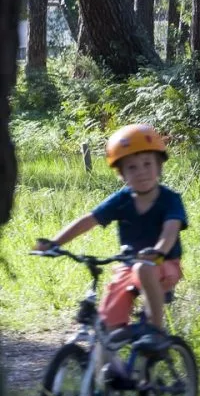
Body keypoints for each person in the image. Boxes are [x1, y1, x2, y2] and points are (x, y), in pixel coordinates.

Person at [37, 124, 186, 351]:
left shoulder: (170, 199)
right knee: (106, 326)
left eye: (148, 164)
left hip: (163, 264)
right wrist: (55, 242)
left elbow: (170, 230)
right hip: (130, 266)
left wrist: (159, 251)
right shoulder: (122, 199)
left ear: (159, 165)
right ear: (122, 173)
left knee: (142, 268)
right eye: (132, 167)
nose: (141, 171)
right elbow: (89, 220)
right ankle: (115, 375)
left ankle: (156, 330)